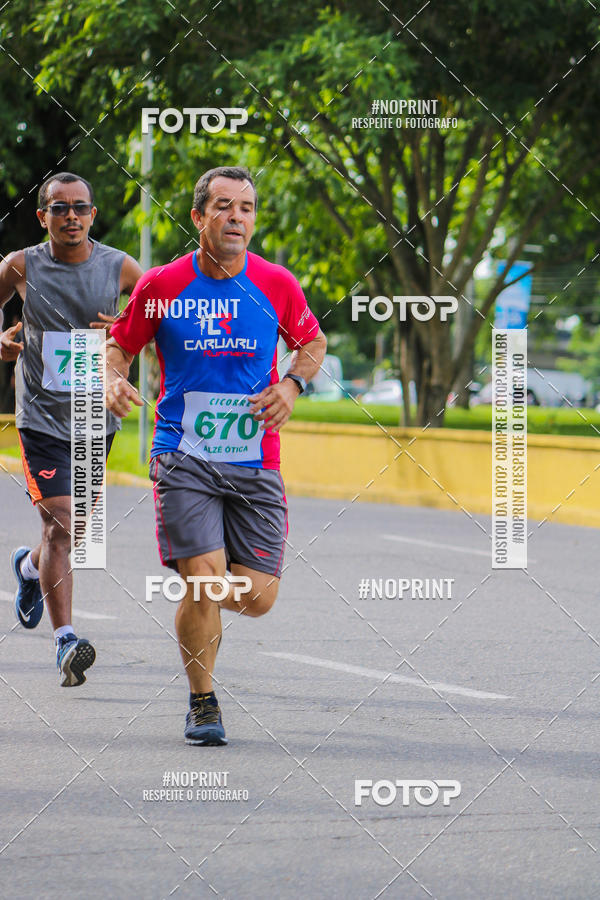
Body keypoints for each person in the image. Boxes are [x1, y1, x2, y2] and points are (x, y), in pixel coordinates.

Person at [105, 166, 326, 745]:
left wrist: (291, 385)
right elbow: (117, 346)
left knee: (257, 597)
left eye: (247, 208)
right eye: (223, 206)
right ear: (199, 216)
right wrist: (109, 379)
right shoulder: (162, 284)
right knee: (203, 579)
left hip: (256, 459)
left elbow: (311, 341)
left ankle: (198, 591)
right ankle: (202, 702)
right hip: (183, 454)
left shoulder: (276, 283)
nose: (237, 217)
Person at [0, 171, 142, 686]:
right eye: (59, 208)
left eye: (80, 207)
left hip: (91, 417)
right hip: (39, 417)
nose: (71, 217)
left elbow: (154, 317)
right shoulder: (21, 265)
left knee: (73, 531)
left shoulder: (119, 266)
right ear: (43, 217)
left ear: (92, 215)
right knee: (59, 523)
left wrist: (124, 329)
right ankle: (66, 643)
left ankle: (29, 570)